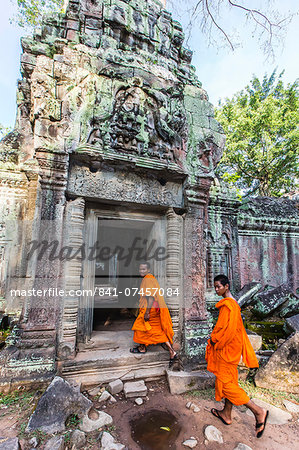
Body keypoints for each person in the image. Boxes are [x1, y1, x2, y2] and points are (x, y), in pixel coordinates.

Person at [206, 274, 269, 438]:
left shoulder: (229, 306)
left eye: (218, 286)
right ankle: (226, 414)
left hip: (226, 349)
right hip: (231, 349)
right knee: (231, 380)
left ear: (227, 286)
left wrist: (214, 341)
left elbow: (228, 332)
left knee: (226, 384)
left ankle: (258, 411)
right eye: (215, 287)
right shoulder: (231, 305)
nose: (216, 290)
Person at [130, 262, 177, 367]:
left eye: (143, 269)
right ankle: (172, 352)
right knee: (155, 331)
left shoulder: (148, 279)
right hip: (152, 309)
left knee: (140, 327)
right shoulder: (148, 278)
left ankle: (142, 348)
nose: (141, 271)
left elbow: (150, 297)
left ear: (148, 270)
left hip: (149, 309)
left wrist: (147, 312)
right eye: (140, 269)